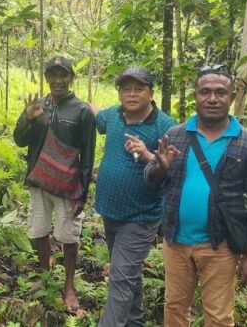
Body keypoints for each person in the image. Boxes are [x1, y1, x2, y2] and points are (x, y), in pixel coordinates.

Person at [143, 64, 247, 326]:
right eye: (205, 92)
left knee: (218, 316)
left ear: (231, 97)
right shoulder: (175, 135)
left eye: (220, 92)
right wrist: (160, 168)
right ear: (196, 96)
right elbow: (150, 178)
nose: (212, 98)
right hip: (176, 241)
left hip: (220, 245)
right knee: (175, 307)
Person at [94, 67, 176, 326]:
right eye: (126, 89)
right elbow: (95, 114)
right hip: (110, 210)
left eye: (138, 89)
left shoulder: (166, 127)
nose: (131, 94)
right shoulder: (113, 115)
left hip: (141, 216)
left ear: (151, 93)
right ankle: (135, 322)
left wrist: (149, 155)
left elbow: (175, 172)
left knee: (120, 275)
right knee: (127, 274)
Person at [13, 56, 96, 311]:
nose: (58, 80)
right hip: (38, 181)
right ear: (46, 77)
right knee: (39, 230)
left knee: (68, 236)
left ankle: (69, 286)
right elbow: (19, 140)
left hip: (67, 185)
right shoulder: (37, 105)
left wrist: (82, 194)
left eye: (64, 75)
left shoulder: (81, 110)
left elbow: (88, 155)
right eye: (53, 75)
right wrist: (28, 119)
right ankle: (45, 276)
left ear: (71, 78)